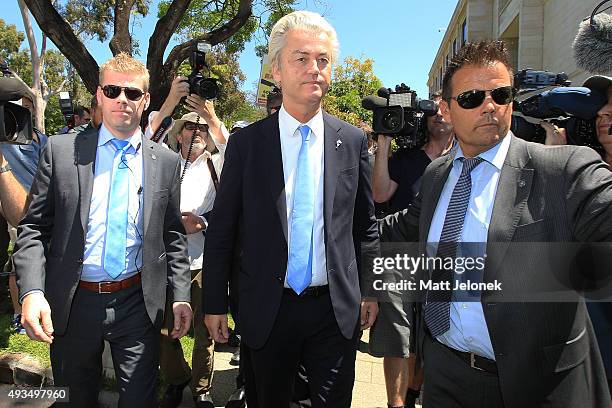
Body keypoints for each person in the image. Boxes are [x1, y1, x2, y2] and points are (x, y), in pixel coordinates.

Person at [379, 40, 612, 408]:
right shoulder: (437, 175)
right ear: (446, 108)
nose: (490, 106)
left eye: (500, 94)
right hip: (444, 376)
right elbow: (398, 230)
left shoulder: (564, 170)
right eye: (472, 97)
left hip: (538, 386)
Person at [203, 11, 380, 407]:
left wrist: (371, 290)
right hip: (268, 309)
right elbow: (223, 230)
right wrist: (214, 301)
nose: (314, 69)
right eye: (301, 59)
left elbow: (364, 227)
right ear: (277, 71)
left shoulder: (351, 141)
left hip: (334, 312)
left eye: (322, 60)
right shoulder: (248, 144)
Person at [13, 53, 192, 407]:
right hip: (74, 301)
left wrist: (182, 294)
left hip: (137, 302)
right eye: (112, 91)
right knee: (75, 399)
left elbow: (173, 235)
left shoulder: (166, 162)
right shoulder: (61, 152)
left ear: (146, 100)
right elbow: (32, 228)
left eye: (132, 93)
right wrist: (32, 291)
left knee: (140, 401)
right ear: (98, 95)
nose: (122, 100)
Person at [370, 92, 453, 408]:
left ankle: (414, 393)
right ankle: (396, 403)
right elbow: (380, 194)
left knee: (425, 336)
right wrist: (384, 140)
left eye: (447, 107)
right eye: (434, 109)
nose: (440, 114)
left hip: (443, 262)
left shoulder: (464, 161)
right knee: (397, 336)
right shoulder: (406, 160)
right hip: (398, 259)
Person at [159, 107, 228, 408]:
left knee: (205, 330)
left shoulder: (216, 164)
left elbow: (229, 144)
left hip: (204, 262)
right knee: (165, 330)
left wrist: (203, 223)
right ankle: (176, 379)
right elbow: (150, 134)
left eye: (201, 128)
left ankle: (201, 388)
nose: (196, 131)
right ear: (178, 134)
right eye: (189, 126)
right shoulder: (165, 162)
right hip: (166, 262)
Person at [1, 95, 48, 335]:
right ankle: (19, 314)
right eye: (18, 107)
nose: (22, 112)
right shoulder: (5, 142)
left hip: (39, 205)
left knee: (37, 256)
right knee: (18, 258)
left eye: (28, 108)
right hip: (13, 205)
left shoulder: (40, 139)